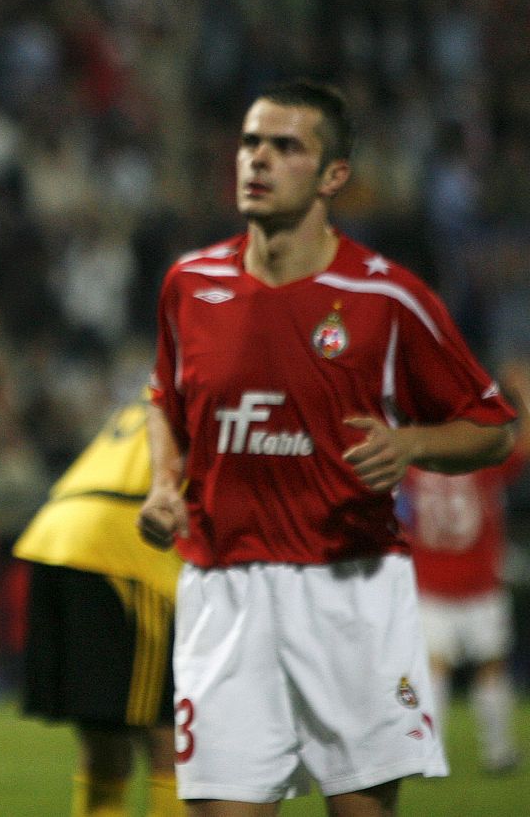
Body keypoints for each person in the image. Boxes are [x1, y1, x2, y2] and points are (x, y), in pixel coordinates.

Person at [136, 82, 518, 817]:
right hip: (224, 590)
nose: (259, 160)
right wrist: (162, 484)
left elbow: (492, 425)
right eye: (252, 142)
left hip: (351, 589)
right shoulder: (190, 284)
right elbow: (164, 398)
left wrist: (411, 443)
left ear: (333, 176)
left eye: (286, 147)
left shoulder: (387, 297)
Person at [14, 394, 184, 817]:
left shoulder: (148, 399)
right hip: (123, 545)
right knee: (168, 731)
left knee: (104, 735)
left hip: (56, 538)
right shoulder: (216, 392)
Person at [400, 358, 528, 775]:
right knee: (491, 667)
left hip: (431, 581)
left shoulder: (415, 465)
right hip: (479, 581)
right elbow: (523, 444)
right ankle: (498, 753)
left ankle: (428, 756)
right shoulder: (485, 458)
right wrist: (524, 394)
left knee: (434, 668)